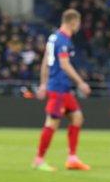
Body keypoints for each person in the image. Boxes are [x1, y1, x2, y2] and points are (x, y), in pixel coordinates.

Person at [34, 9, 91, 172]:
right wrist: (80, 83)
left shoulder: (53, 38)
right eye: (78, 22)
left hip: (61, 88)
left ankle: (72, 158)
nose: (79, 26)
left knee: (77, 117)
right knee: (52, 123)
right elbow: (64, 64)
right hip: (58, 87)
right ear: (73, 22)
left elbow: (45, 61)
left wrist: (43, 83)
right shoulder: (63, 41)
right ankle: (39, 160)